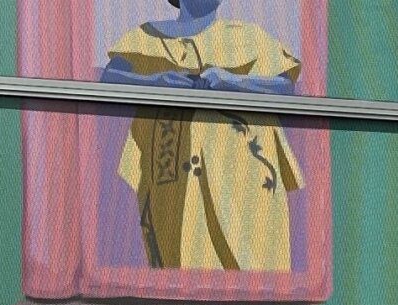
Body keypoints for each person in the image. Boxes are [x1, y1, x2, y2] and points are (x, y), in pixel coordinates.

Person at [100, 0, 304, 273]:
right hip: (173, 170)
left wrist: (230, 80)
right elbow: (111, 78)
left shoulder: (247, 36)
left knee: (250, 258)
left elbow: (284, 86)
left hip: (243, 176)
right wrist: (159, 81)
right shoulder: (147, 36)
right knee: (181, 249)